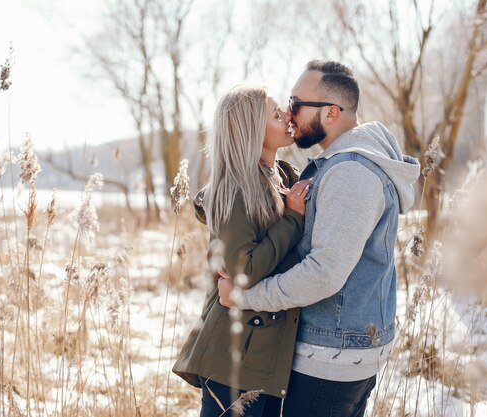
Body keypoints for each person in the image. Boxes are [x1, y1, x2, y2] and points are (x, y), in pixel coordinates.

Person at [218, 60, 420, 417]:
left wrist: (245, 296)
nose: (290, 113)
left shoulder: (351, 173)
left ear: (330, 113)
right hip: (340, 350)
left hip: (330, 357)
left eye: (296, 103)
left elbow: (324, 273)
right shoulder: (341, 164)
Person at [172, 85, 311, 417]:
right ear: (251, 131)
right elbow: (243, 271)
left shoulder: (283, 177)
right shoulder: (236, 189)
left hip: (266, 351)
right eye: (276, 115)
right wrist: (292, 219)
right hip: (235, 357)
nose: (288, 116)